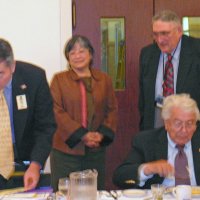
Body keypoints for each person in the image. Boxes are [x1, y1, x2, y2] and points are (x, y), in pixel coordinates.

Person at [50, 35, 118, 191]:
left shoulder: (104, 79)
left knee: (94, 193)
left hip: (95, 151)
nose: (77, 56)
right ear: (67, 57)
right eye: (72, 52)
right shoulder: (59, 80)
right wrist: (82, 135)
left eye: (82, 51)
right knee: (65, 195)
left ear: (91, 54)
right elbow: (56, 111)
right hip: (65, 152)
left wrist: (101, 135)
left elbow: (112, 109)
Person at [0, 38, 56, 190]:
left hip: (25, 165)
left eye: (0, 74)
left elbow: (46, 127)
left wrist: (36, 164)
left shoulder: (34, 78)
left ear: (12, 66)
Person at [113, 94, 200, 189]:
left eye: (189, 123)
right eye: (178, 123)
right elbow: (119, 177)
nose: (184, 130)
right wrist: (148, 168)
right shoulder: (146, 141)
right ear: (166, 123)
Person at [139, 10, 200, 130]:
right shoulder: (147, 54)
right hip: (157, 116)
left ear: (179, 31)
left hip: (189, 121)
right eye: (155, 34)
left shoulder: (197, 51)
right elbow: (143, 98)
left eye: (165, 33)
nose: (160, 40)